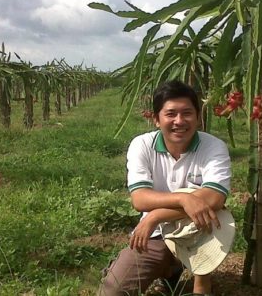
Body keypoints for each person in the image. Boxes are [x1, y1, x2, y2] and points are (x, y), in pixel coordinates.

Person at [98, 80, 232, 295]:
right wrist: (184, 199)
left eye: (187, 113)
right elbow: (140, 199)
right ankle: (170, 268)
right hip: (154, 236)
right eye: (170, 114)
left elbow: (215, 197)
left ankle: (200, 278)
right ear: (156, 119)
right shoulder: (142, 145)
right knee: (113, 291)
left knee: (211, 218)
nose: (179, 121)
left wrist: (155, 216)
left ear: (198, 118)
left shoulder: (213, 146)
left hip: (199, 232)